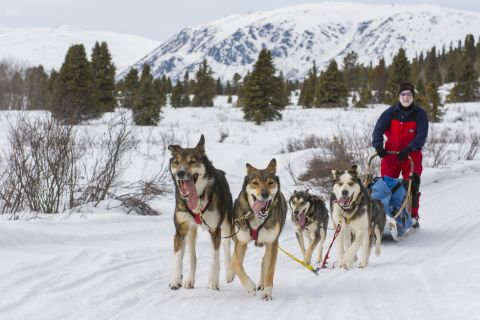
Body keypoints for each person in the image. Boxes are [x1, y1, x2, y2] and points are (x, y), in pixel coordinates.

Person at [371, 82, 429, 229]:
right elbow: (378, 130)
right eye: (403, 94)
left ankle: (413, 216)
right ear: (398, 96)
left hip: (411, 156)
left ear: (413, 97)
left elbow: (421, 136)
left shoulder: (420, 114)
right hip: (390, 156)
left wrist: (409, 148)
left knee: (412, 185)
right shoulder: (390, 112)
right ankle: (384, 214)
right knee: (385, 185)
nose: (406, 97)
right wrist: (378, 146)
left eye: (409, 94)